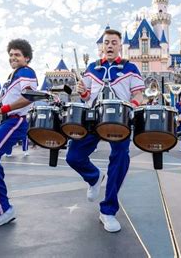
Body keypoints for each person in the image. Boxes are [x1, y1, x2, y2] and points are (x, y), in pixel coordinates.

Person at [67, 29, 144, 232]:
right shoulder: (92, 68)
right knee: (73, 157)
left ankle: (108, 211)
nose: (109, 45)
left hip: (120, 118)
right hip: (93, 117)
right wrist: (82, 92)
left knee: (120, 160)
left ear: (120, 45)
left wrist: (132, 105)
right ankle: (94, 177)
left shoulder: (130, 67)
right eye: (106, 42)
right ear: (102, 47)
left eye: (113, 42)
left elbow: (139, 94)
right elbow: (86, 96)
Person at [0, 39, 38, 230]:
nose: (13, 57)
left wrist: (1, 110)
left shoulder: (26, 72)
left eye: (17, 54)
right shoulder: (12, 76)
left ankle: (2, 210)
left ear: (26, 57)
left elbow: (28, 98)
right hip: (8, 119)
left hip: (16, 121)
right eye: (11, 54)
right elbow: (4, 103)